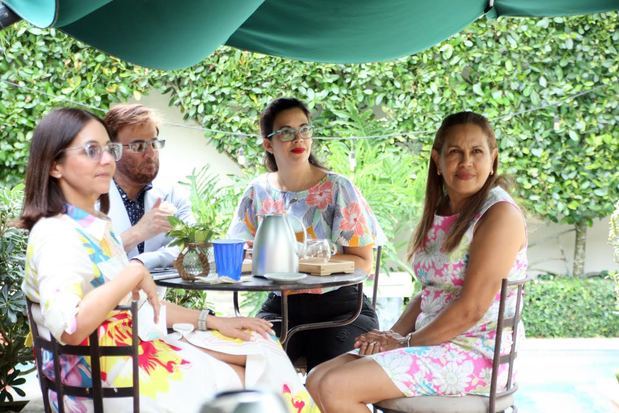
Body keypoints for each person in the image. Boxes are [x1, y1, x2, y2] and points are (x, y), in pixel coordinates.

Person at [19, 108, 319, 412]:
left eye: (108, 149)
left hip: (129, 354)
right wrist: (134, 270)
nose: (108, 159)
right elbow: (69, 327)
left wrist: (214, 320)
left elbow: (139, 306)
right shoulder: (56, 235)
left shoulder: (94, 226)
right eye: (91, 151)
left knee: (262, 347)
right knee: (246, 382)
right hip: (102, 380)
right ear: (55, 165)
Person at [306, 111, 528, 412]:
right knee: (318, 377)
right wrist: (393, 334)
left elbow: (471, 309)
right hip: (433, 345)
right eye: (454, 152)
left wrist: (406, 343)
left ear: (493, 159)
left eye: (476, 152)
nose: (466, 162)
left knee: (335, 387)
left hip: (475, 355)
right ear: (437, 160)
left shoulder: (499, 215)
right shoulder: (445, 209)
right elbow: (430, 292)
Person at [228, 97, 385, 371]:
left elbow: (363, 262)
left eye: (304, 129)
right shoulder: (257, 191)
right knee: (254, 367)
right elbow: (239, 254)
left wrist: (301, 266)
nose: (297, 138)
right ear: (268, 143)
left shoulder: (338, 188)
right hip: (280, 307)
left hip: (342, 309)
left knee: (328, 376)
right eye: (286, 132)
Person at [104, 103, 191, 270]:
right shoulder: (90, 197)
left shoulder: (172, 193)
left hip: (154, 296)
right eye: (138, 146)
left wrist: (143, 261)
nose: (151, 154)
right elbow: (84, 257)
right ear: (113, 150)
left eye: (154, 143)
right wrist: (137, 233)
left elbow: (192, 244)